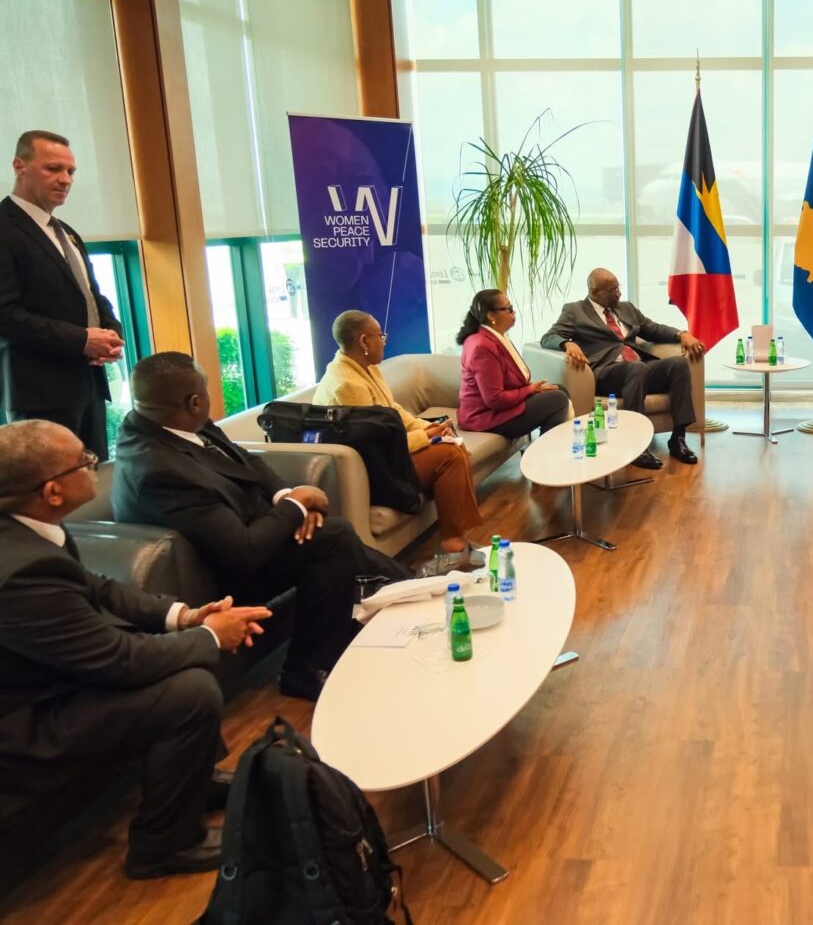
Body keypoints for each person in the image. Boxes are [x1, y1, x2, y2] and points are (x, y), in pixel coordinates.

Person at [0, 420, 271, 878]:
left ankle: (195, 783)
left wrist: (187, 616)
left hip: (43, 679)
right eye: (85, 461)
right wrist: (210, 636)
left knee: (181, 655)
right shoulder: (23, 571)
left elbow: (99, 588)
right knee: (190, 690)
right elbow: (119, 661)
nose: (95, 464)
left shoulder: (29, 528)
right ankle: (165, 844)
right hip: (21, 724)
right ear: (52, 492)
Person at [110, 352, 407, 700]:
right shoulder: (159, 470)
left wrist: (287, 496)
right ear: (194, 402)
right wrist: (299, 506)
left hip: (255, 530)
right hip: (223, 573)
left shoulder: (171, 421)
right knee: (334, 537)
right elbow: (242, 552)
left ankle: (407, 589)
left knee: (331, 537)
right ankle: (307, 667)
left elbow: (247, 460)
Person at [315, 310, 487, 573]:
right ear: (364, 341)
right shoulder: (347, 385)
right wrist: (425, 437)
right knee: (449, 456)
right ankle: (453, 545)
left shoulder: (367, 368)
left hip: (387, 453)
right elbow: (373, 444)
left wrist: (429, 428)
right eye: (380, 336)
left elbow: (393, 411)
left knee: (454, 445)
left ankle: (456, 540)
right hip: (371, 468)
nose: (384, 341)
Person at [0, 131, 125, 459]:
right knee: (51, 486)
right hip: (39, 396)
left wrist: (112, 333)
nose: (65, 179)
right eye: (53, 168)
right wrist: (82, 340)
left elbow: (91, 294)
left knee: (92, 481)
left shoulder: (66, 232)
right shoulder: (3, 228)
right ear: (19, 166)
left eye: (70, 171)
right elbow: (5, 316)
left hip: (89, 385)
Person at [540, 268, 704, 468]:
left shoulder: (627, 308)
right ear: (595, 292)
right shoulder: (575, 311)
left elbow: (654, 329)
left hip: (638, 369)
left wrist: (681, 334)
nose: (619, 293)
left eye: (618, 287)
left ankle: (678, 438)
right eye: (613, 290)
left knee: (678, 364)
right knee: (636, 368)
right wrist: (567, 344)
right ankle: (638, 445)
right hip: (607, 372)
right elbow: (548, 337)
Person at [456, 290, 571, 442]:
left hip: (498, 409)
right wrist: (529, 389)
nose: (514, 312)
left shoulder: (496, 337)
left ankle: (554, 448)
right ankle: (547, 453)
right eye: (509, 308)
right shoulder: (482, 346)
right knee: (557, 399)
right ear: (491, 316)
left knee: (558, 389)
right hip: (485, 417)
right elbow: (495, 399)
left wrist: (531, 389)